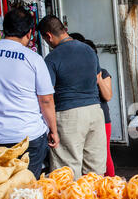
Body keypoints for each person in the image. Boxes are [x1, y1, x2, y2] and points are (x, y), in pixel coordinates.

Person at [0, 8, 59, 179]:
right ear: (29, 33)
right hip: (28, 137)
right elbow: (46, 100)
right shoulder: (33, 58)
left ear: (4, 29)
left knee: (1, 185)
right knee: (27, 187)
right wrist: (53, 130)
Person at [38, 15, 107, 179]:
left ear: (48, 36)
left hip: (69, 116)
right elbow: (97, 77)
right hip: (95, 112)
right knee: (95, 169)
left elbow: (47, 96)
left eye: (46, 40)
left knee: (67, 171)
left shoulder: (52, 58)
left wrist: (52, 129)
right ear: (64, 29)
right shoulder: (88, 50)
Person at [84, 39, 116, 177]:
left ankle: (112, 185)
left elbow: (108, 96)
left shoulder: (103, 73)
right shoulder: (78, 75)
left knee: (105, 154)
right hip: (84, 119)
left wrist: (98, 79)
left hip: (103, 120)